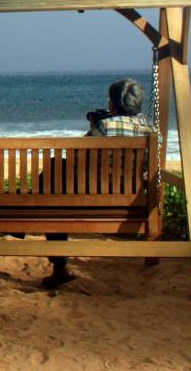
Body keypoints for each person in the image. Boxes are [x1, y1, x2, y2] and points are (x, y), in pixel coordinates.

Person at [41, 78, 155, 289]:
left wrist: (94, 126)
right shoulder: (150, 130)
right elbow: (151, 167)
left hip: (89, 201)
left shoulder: (104, 126)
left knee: (54, 176)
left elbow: (76, 154)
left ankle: (60, 267)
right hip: (131, 204)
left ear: (112, 104)